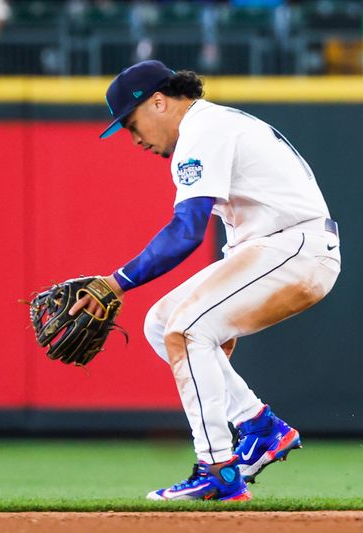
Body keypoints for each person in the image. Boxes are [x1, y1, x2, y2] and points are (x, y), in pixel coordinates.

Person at [73, 60, 341, 501]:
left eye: (132, 123)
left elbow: (186, 232)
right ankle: (258, 426)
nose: (134, 138)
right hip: (276, 247)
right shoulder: (210, 125)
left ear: (158, 102)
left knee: (186, 329)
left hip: (294, 248)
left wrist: (116, 282)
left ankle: (218, 468)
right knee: (161, 324)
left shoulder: (203, 130)